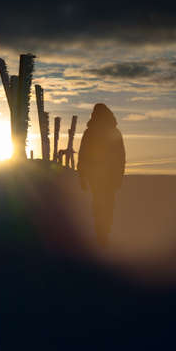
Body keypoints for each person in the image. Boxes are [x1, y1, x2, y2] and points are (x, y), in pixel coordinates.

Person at [77, 103, 125, 246]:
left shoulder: (91, 132)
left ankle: (101, 235)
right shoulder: (113, 131)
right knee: (106, 206)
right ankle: (103, 235)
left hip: (98, 177)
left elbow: (82, 155)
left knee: (99, 205)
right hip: (105, 177)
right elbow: (121, 157)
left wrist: (82, 176)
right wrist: (118, 177)